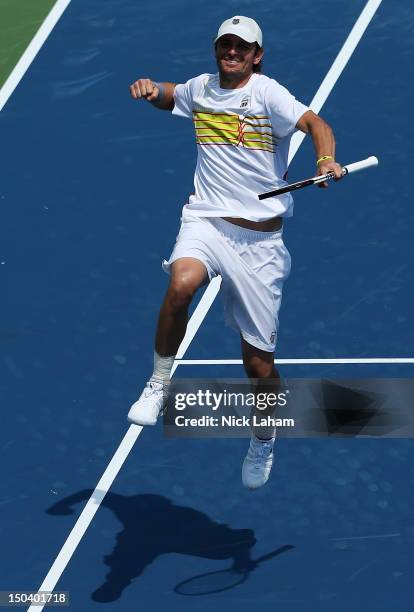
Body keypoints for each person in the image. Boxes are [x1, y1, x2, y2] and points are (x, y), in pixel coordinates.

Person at [127, 16, 343, 488]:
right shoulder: (201, 88)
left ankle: (264, 436)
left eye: (242, 48)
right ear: (217, 49)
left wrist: (324, 158)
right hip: (206, 221)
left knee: (259, 367)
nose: (233, 53)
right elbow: (172, 96)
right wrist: (149, 88)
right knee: (181, 283)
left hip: (260, 244)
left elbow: (315, 123)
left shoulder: (268, 95)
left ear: (256, 55)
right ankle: (160, 381)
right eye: (226, 45)